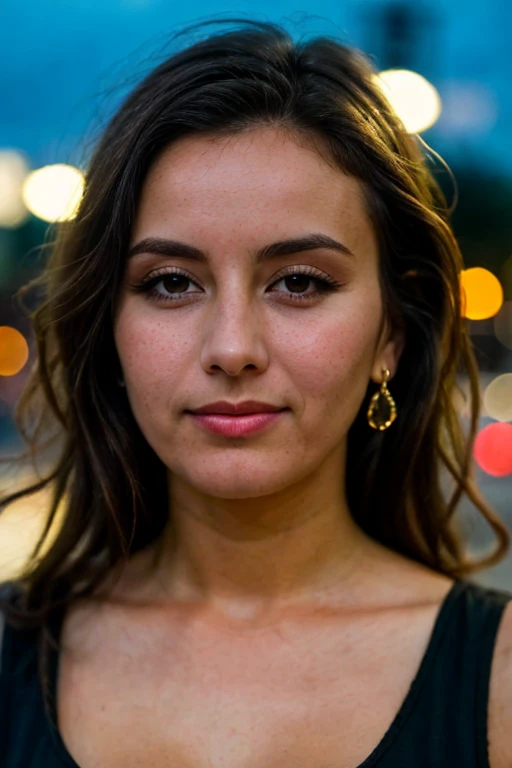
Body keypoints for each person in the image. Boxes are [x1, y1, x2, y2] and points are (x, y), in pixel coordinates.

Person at [0, 17, 511, 768]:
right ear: (108, 327)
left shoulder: (499, 681)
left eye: (299, 282)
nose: (232, 348)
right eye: (171, 283)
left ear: (392, 333)